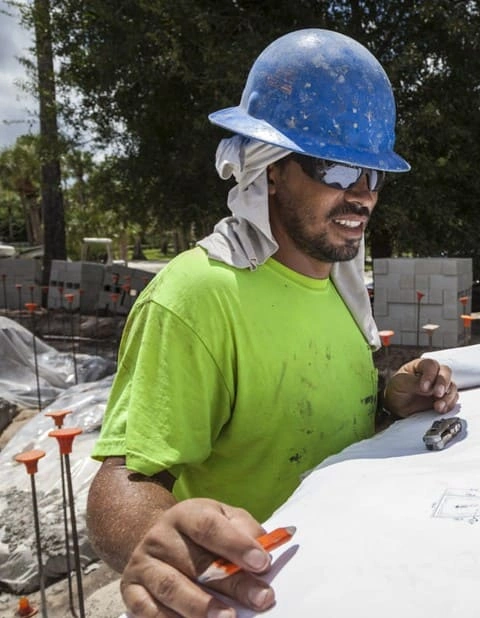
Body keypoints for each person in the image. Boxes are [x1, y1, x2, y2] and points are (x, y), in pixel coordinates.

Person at [86, 28, 459, 617]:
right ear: (272, 168)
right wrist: (157, 545)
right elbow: (123, 480)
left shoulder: (339, 282)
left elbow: (315, 432)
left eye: (374, 176)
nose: (363, 196)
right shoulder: (198, 294)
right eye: (336, 168)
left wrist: (390, 404)